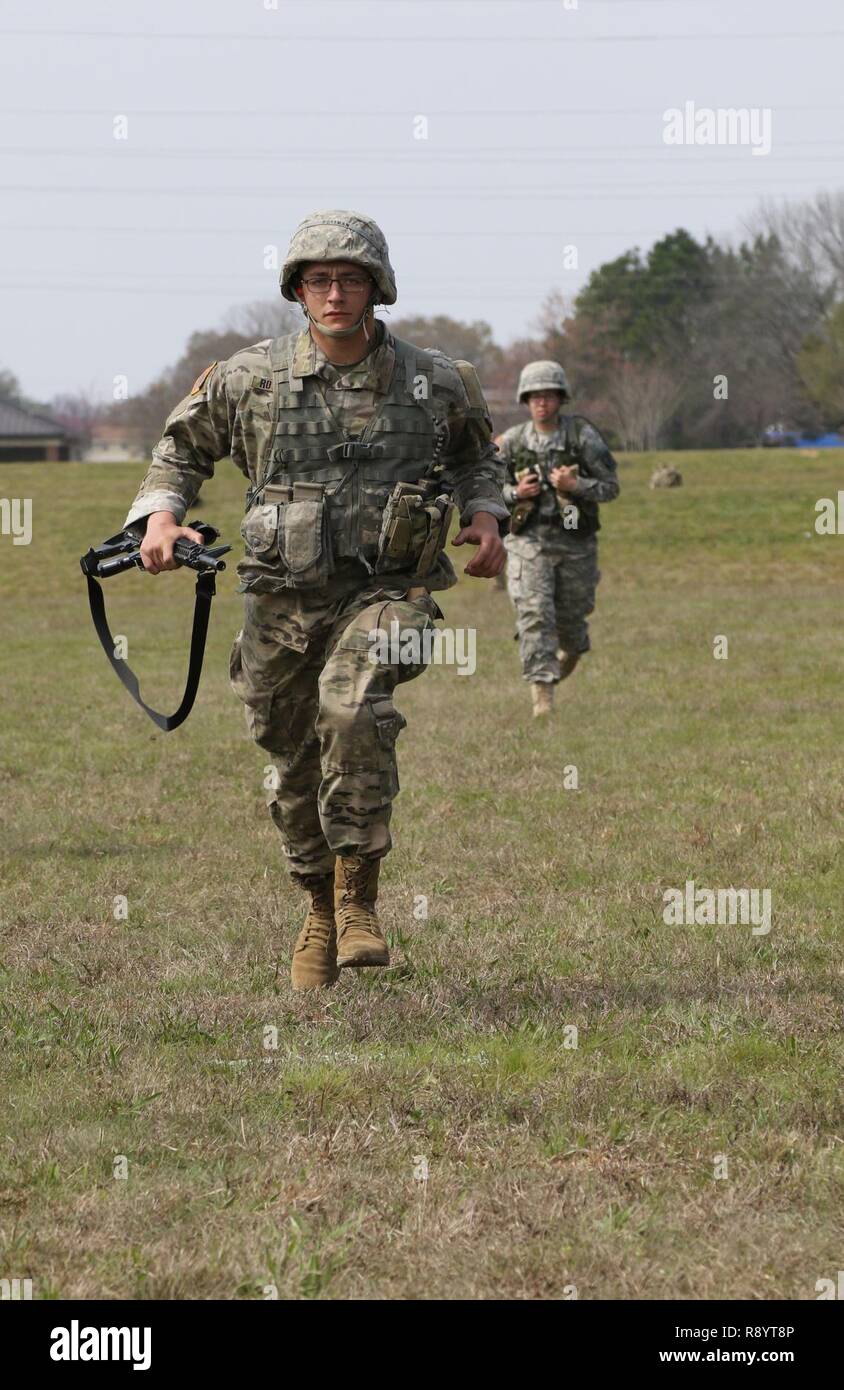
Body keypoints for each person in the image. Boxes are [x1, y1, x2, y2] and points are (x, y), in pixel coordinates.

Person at [123, 209, 508, 989]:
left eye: (351, 278)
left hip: (388, 593)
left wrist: (487, 517)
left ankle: (361, 893)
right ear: (297, 290)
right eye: (319, 279)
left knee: (351, 703)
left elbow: (478, 461)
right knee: (289, 756)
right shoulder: (250, 376)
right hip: (281, 603)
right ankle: (319, 908)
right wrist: (159, 517)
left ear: (377, 288)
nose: (335, 293)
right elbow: (180, 447)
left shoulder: (436, 381)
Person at [496, 361, 619, 717]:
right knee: (535, 615)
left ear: (560, 398)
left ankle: (567, 658)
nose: (542, 403)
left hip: (575, 544)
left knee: (572, 626)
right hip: (528, 542)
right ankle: (542, 702)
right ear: (525, 400)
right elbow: (484, 487)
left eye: (548, 395)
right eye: (535, 396)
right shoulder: (513, 442)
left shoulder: (582, 437)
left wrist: (575, 486)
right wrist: (515, 492)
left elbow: (611, 487)